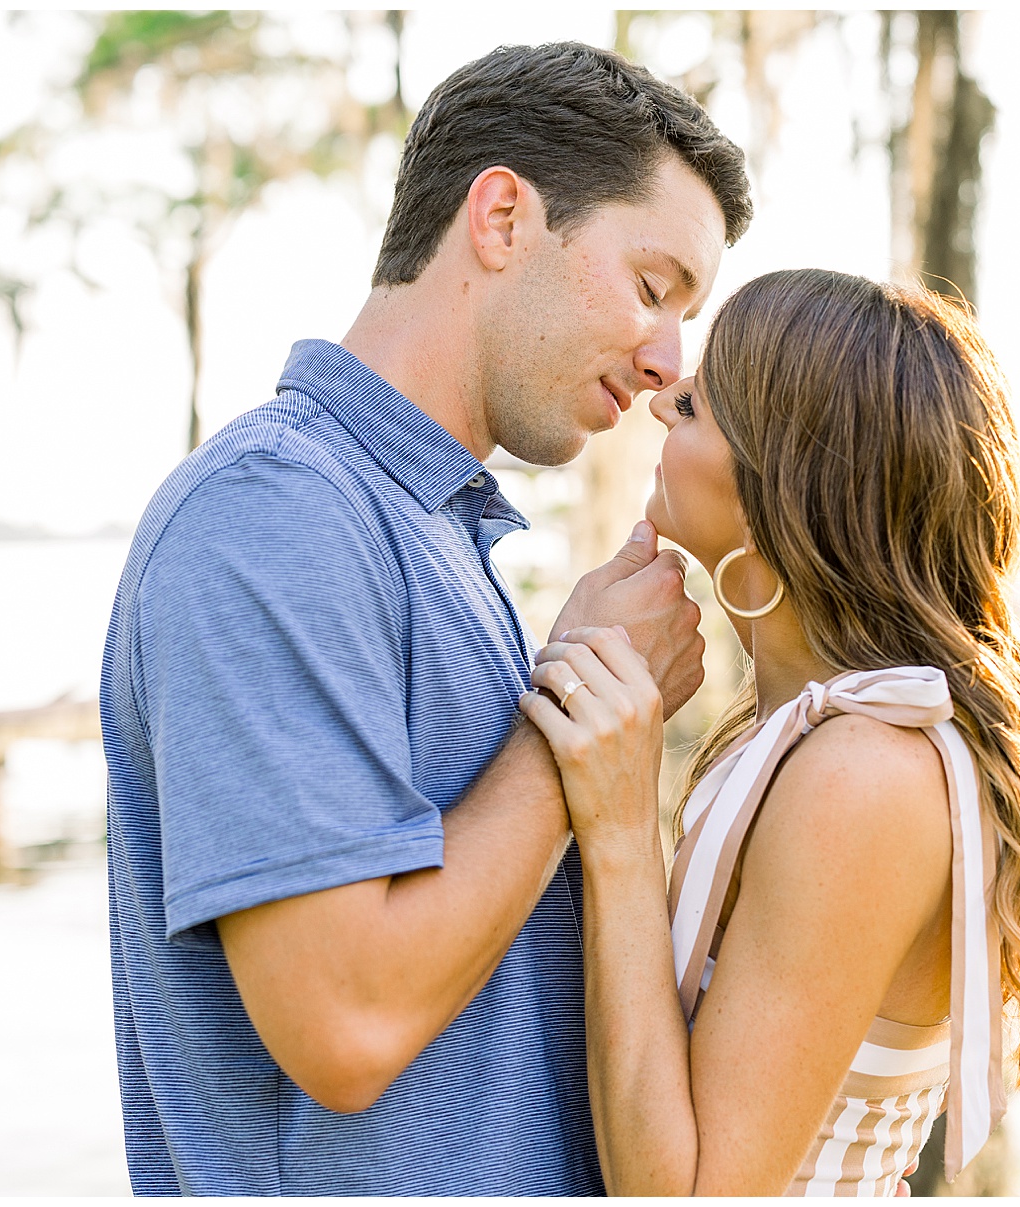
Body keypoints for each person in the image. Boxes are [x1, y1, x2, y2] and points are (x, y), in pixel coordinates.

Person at [100, 43, 750, 1195]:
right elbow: (346, 1022)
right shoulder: (274, 512)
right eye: (654, 289)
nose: (666, 362)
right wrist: (580, 721)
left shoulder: (427, 531)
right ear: (501, 217)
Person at [518, 269, 1020, 1196]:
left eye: (701, 403)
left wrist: (620, 827)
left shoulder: (866, 774)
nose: (664, 402)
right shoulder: (808, 741)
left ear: (781, 485)